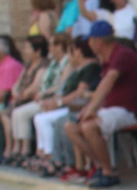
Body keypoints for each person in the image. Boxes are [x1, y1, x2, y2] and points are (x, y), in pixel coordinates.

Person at [63, 22, 137, 189]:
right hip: (114, 108)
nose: (90, 44)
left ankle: (108, 172)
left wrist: (91, 110)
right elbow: (104, 90)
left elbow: (107, 83)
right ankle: (101, 166)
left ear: (98, 42)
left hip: (131, 110)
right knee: (71, 126)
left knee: (89, 126)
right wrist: (87, 110)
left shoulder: (122, 55)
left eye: (91, 40)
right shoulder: (108, 59)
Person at [32, 37, 100, 178]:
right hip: (73, 106)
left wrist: (58, 103)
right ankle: (50, 156)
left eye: (71, 51)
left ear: (78, 51)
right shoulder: (79, 69)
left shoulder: (91, 67)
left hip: (80, 106)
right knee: (43, 118)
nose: (70, 56)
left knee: (63, 122)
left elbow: (79, 92)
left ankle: (63, 161)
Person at [6, 32, 72, 167]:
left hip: (55, 99)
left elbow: (62, 85)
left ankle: (42, 153)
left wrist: (44, 93)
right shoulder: (53, 63)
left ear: (60, 47)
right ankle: (37, 151)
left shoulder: (67, 64)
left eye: (52, 45)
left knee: (26, 113)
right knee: (25, 114)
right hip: (44, 98)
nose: (50, 48)